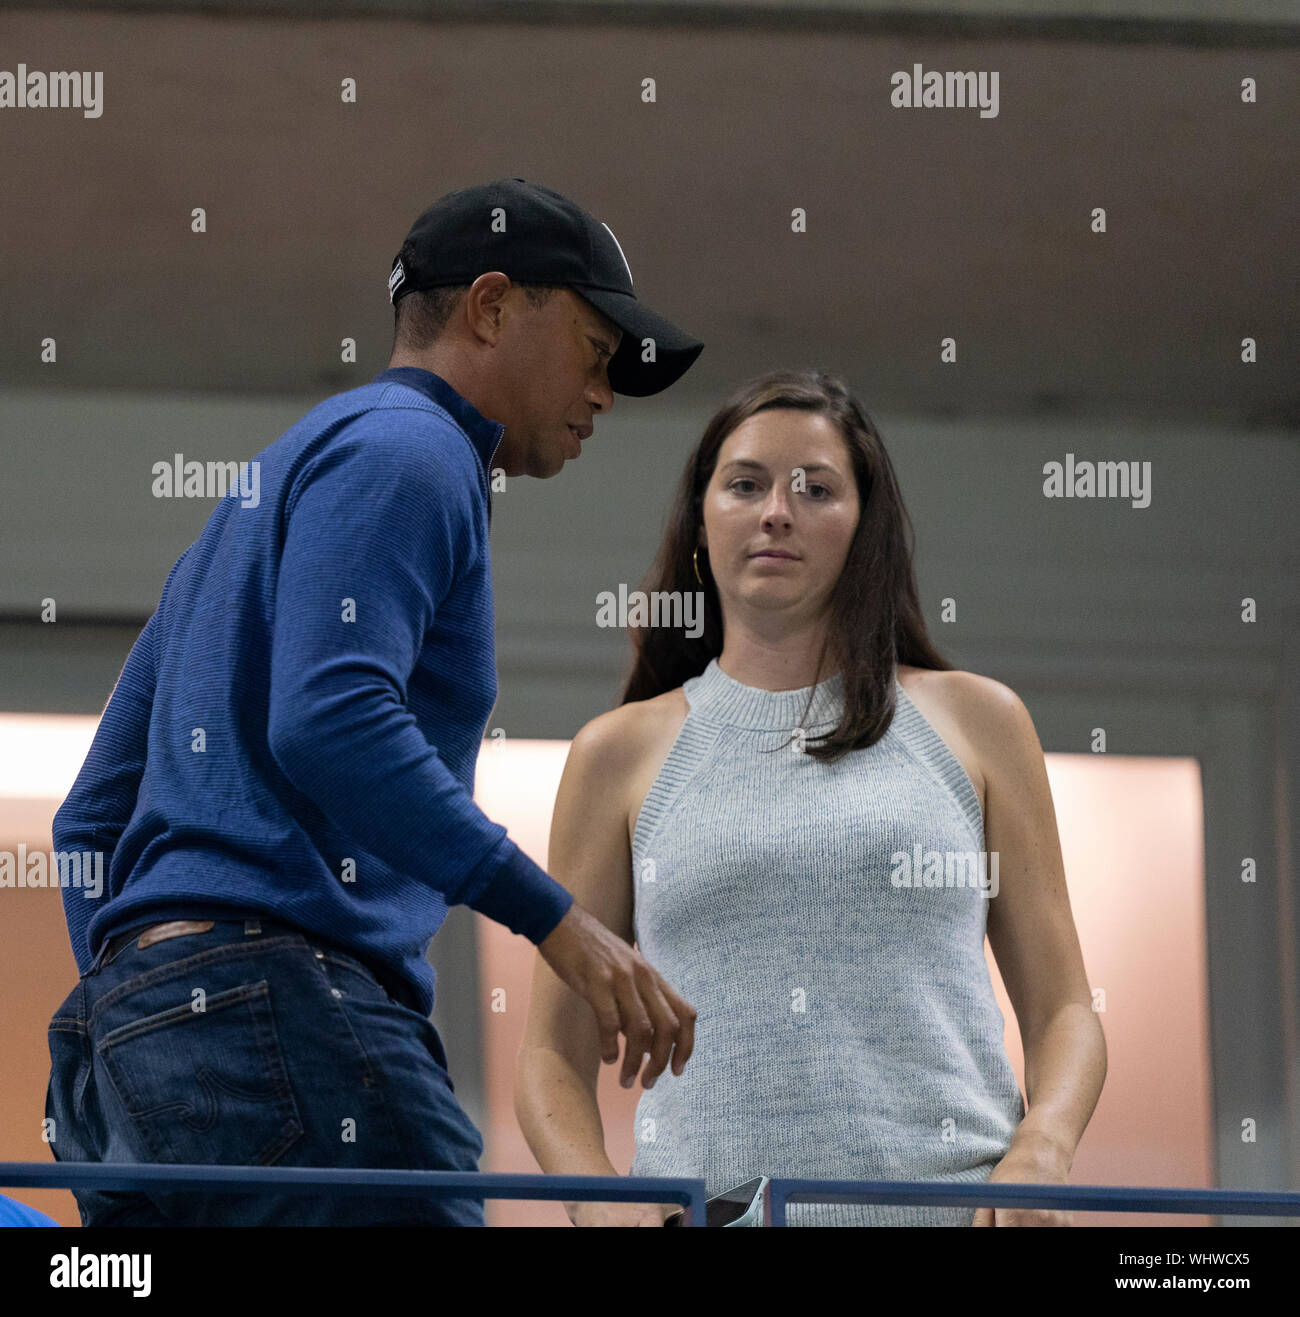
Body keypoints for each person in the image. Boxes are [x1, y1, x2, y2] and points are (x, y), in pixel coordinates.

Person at [45, 178, 703, 1227]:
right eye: (593, 347)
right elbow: (330, 717)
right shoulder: (418, 453)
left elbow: (87, 821)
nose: (605, 394)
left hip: (134, 1050)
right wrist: (562, 925)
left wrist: (144, 1002)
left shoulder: (260, 494)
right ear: (492, 308)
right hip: (288, 1008)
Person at [515, 368, 1106, 1226]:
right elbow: (547, 1055)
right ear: (701, 522)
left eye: (816, 488)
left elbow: (1065, 1010)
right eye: (746, 484)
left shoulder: (978, 720)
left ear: (864, 528)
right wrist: (604, 1204)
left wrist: (1044, 1143)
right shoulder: (618, 753)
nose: (776, 511)